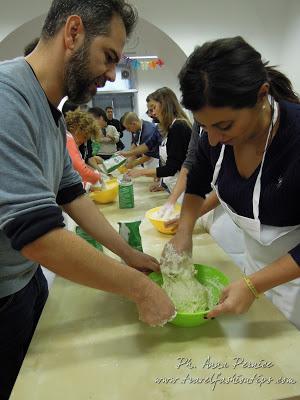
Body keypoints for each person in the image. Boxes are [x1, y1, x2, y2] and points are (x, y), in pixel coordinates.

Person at [0, 1, 175, 398]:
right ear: (73, 32)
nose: (112, 74)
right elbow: (38, 234)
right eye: (108, 57)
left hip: (24, 281)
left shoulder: (53, 114)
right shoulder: (6, 98)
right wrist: (138, 287)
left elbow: (71, 194)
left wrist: (126, 253)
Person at [168, 36, 300, 328]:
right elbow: (197, 183)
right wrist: (185, 231)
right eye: (204, 126)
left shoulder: (295, 139)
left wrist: (255, 285)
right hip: (253, 274)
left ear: (261, 95)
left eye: (224, 126)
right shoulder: (212, 136)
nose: (213, 139)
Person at [127, 87, 192, 199]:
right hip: (177, 185)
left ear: (165, 105)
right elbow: (169, 161)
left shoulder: (179, 126)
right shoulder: (170, 127)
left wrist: (141, 172)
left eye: (154, 108)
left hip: (188, 188)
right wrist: (162, 183)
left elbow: (171, 168)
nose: (153, 113)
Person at [65, 109, 101, 185]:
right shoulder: (68, 138)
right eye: (84, 137)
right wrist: (98, 177)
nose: (84, 141)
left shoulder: (71, 141)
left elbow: (81, 165)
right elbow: (81, 170)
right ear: (76, 127)